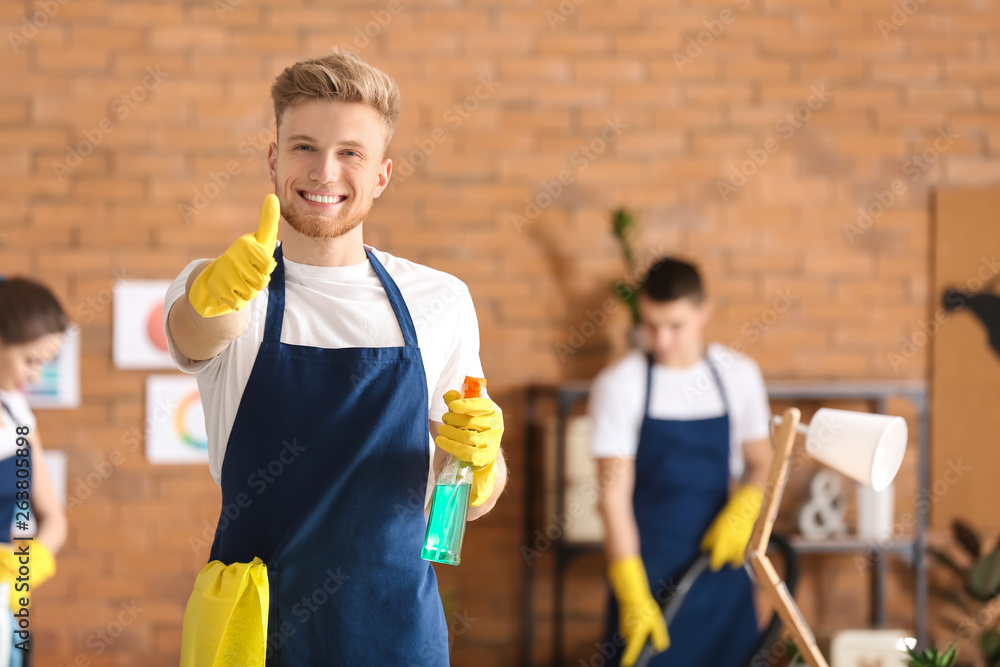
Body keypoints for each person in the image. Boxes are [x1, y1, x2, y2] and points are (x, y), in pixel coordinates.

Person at [165, 50, 506, 666]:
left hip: (397, 631)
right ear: (273, 160)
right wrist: (212, 299)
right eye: (303, 147)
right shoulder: (222, 287)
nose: (325, 172)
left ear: (381, 175)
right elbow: (194, 334)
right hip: (255, 633)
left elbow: (473, 496)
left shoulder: (440, 301)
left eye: (351, 153)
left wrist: (483, 463)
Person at [590, 257, 773, 666]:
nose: (662, 339)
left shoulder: (738, 375)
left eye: (676, 326)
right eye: (651, 325)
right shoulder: (619, 385)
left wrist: (746, 507)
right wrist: (631, 590)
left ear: (704, 312)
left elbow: (763, 461)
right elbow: (612, 498)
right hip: (648, 575)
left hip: (722, 570)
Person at [0, 277, 70, 666]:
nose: (34, 376)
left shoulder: (18, 418)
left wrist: (30, 564)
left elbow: (53, 517)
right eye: (30, 360)